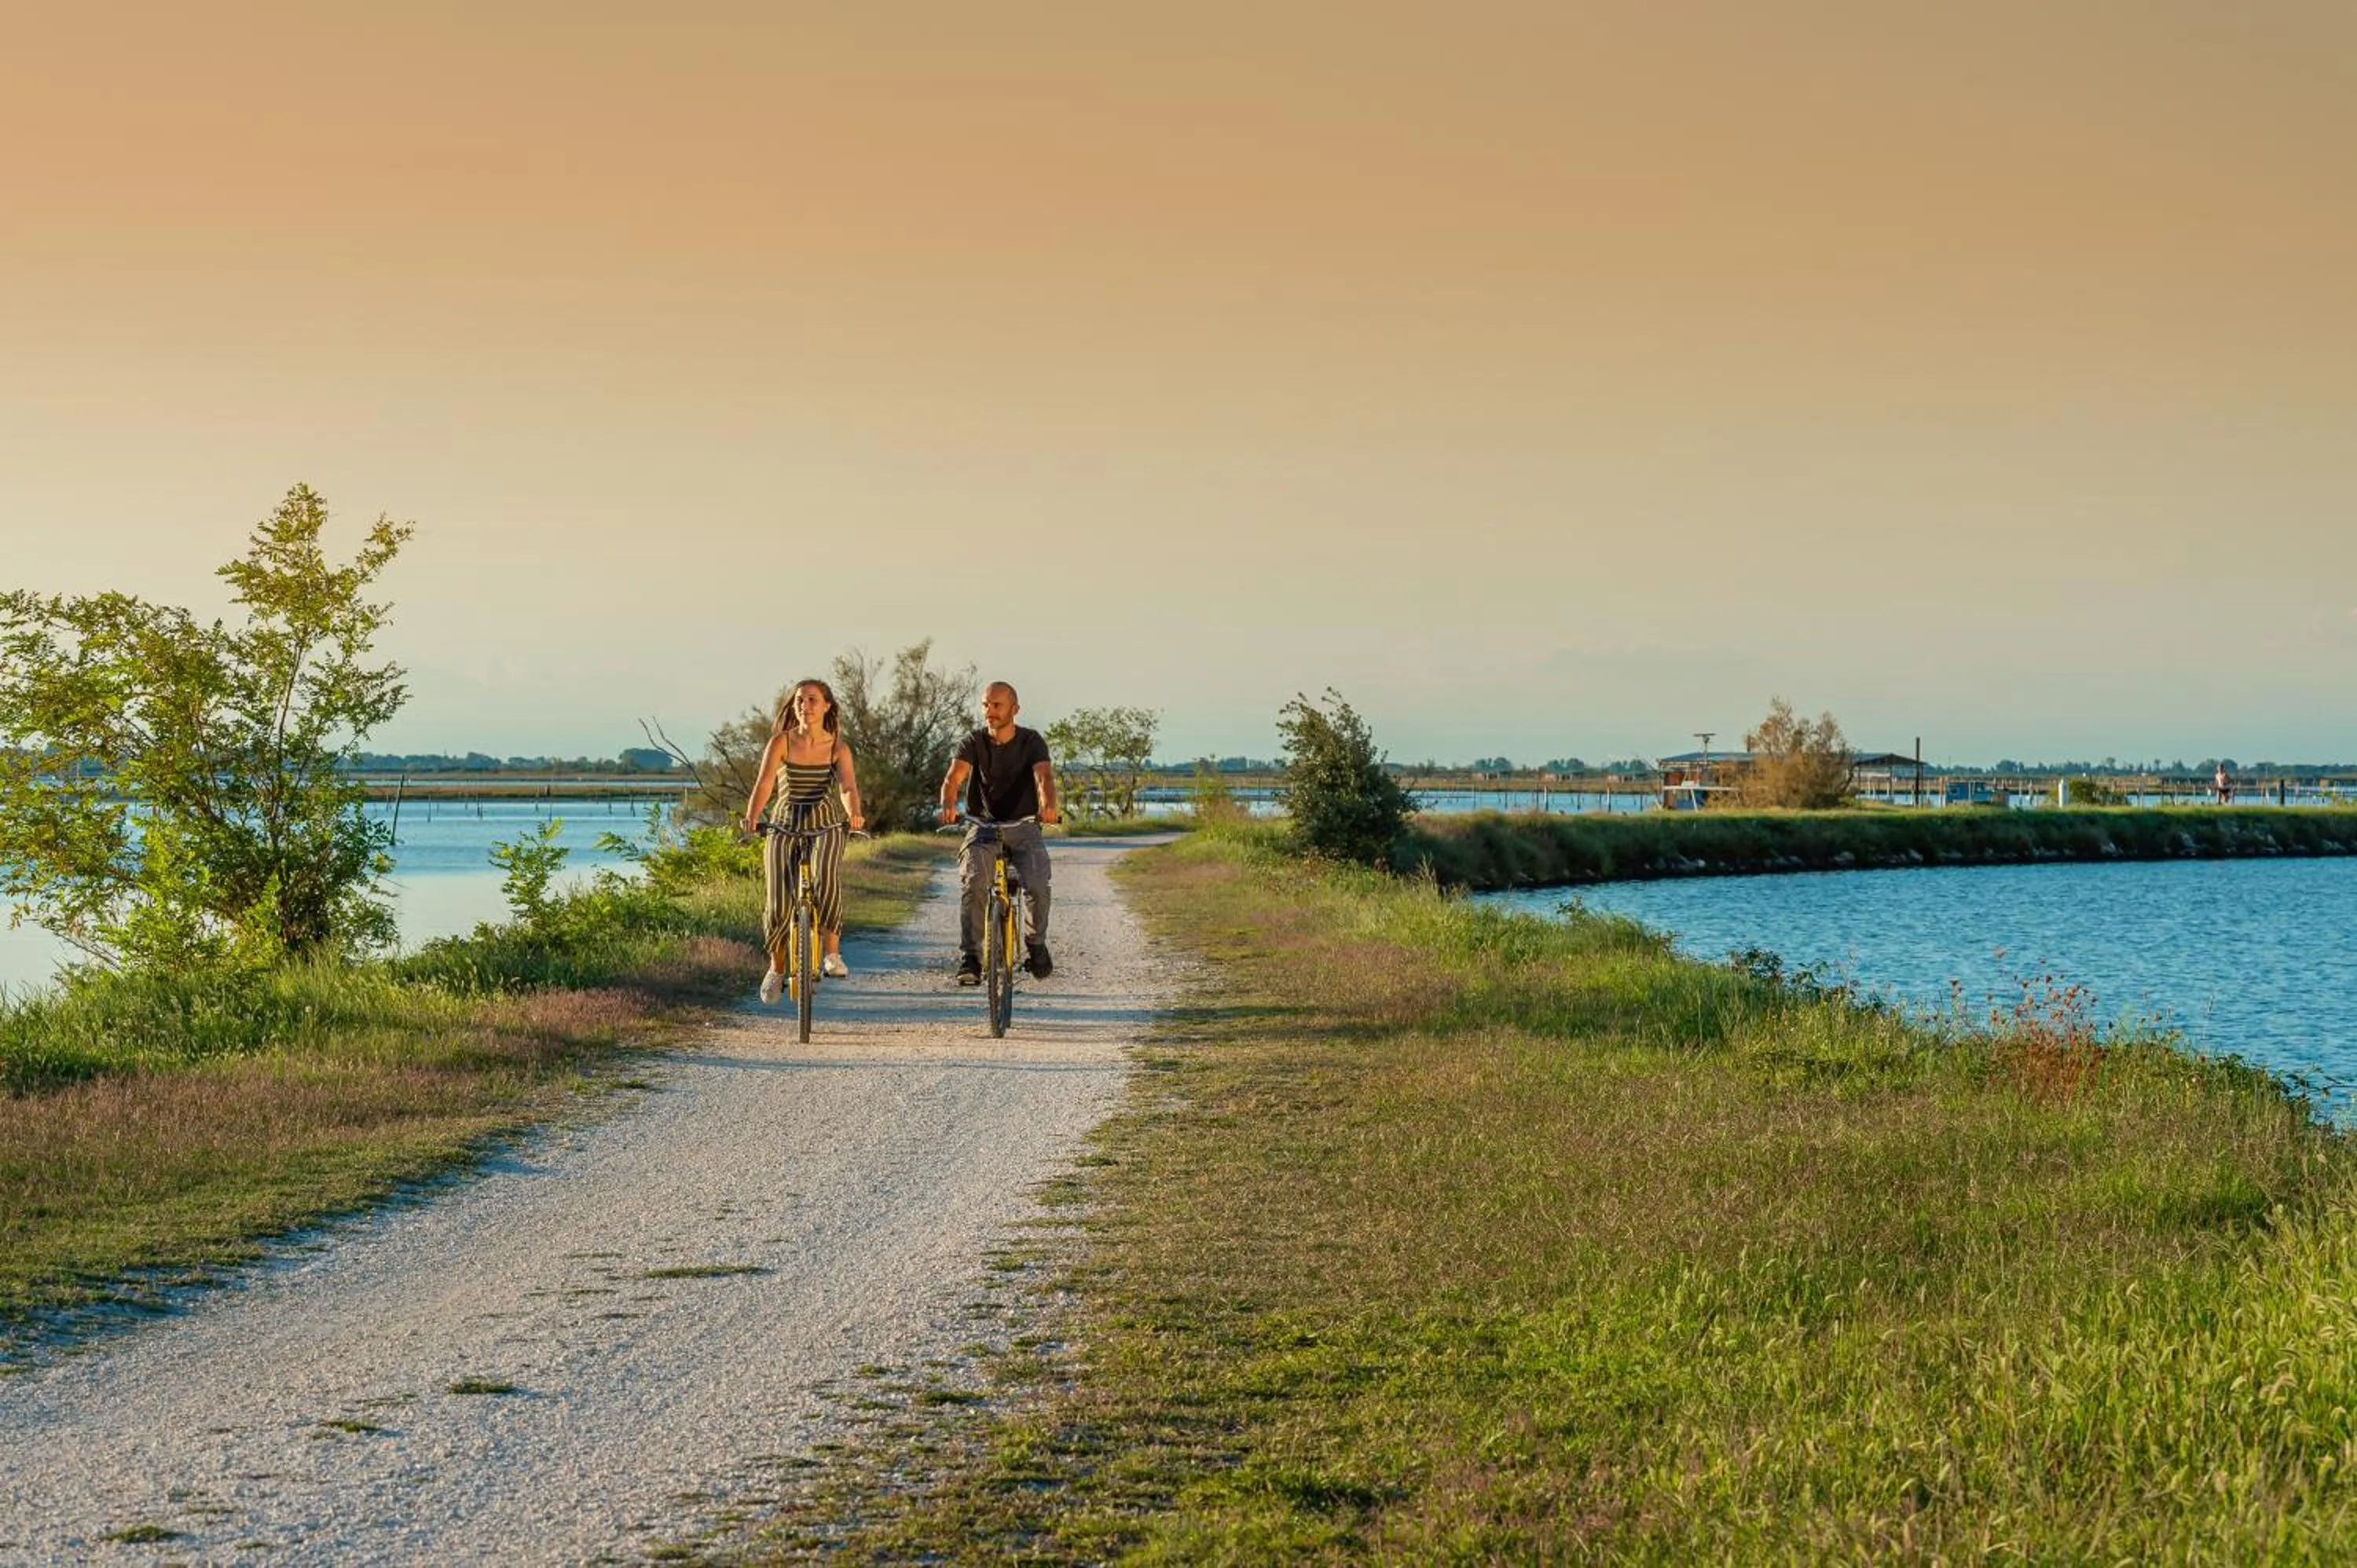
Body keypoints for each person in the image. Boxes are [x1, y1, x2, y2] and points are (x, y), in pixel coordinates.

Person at [742, 679, 864, 1003]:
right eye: (799, 700)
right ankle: (776, 970)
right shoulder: (781, 742)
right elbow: (765, 782)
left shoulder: (838, 747)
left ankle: (832, 955)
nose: (804, 706)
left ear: (826, 706)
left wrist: (854, 814)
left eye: (812, 700)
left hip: (825, 824)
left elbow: (848, 787)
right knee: (777, 900)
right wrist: (752, 816)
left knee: (825, 878)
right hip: (784, 824)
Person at [938, 680, 1060, 984]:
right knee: (974, 881)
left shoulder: (1031, 741)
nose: (989, 712)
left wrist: (1048, 807)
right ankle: (971, 958)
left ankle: (1035, 944)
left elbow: (1044, 778)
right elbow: (953, 778)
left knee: (1037, 882)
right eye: (985, 705)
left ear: (1014, 710)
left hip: (1024, 826)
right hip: (983, 827)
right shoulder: (973, 742)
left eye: (997, 705)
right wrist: (948, 805)